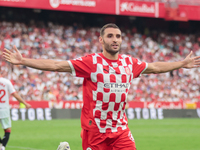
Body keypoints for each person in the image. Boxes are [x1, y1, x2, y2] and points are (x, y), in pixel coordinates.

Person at [2, 23, 200, 150]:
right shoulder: (91, 62)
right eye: (111, 36)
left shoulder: (129, 63)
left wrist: (181, 63)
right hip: (95, 129)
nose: (115, 40)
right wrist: (24, 61)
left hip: (120, 129)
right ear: (101, 40)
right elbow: (56, 65)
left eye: (118, 36)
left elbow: (155, 67)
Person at [0, 67, 31, 150]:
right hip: (4, 109)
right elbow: (15, 94)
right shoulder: (6, 82)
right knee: (7, 130)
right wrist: (25, 103)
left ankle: (1, 145)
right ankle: (3, 146)